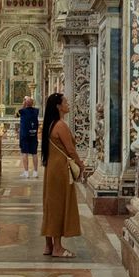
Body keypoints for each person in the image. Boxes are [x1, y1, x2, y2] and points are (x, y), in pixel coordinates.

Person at [41, 92, 85, 258]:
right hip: (60, 170)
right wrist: (81, 165)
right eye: (65, 101)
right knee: (59, 205)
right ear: (58, 106)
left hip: (52, 168)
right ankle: (58, 248)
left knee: (50, 205)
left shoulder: (50, 124)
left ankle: (48, 245)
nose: (68, 104)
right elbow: (71, 150)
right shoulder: (61, 125)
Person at [17, 96, 39, 178]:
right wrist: (28, 102)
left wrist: (23, 104)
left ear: (25, 103)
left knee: (25, 153)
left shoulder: (22, 111)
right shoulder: (36, 111)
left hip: (24, 135)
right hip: (33, 134)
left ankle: (26, 172)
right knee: (34, 153)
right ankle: (35, 172)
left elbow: (16, 115)